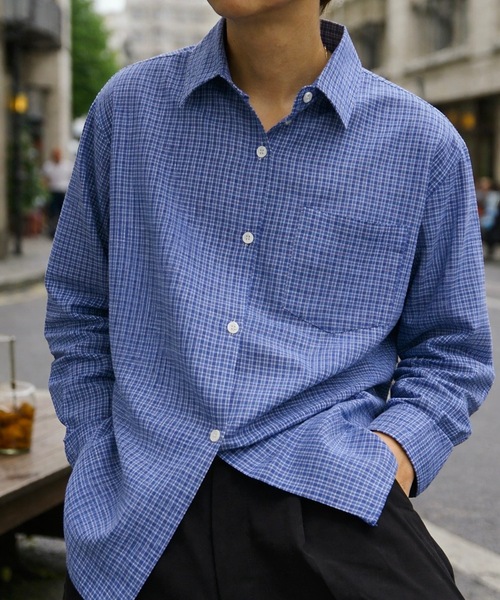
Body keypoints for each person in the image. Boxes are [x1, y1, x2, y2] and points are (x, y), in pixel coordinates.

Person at [45, 1, 494, 598]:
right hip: (143, 502)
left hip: (329, 492)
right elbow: (79, 306)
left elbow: (452, 351)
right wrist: (96, 448)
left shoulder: (422, 144)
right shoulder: (127, 110)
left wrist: (394, 458)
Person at [42, 148, 73, 238]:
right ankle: (52, 231)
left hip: (63, 191)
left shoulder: (67, 165)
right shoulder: (48, 166)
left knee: (62, 212)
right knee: (52, 212)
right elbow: (45, 179)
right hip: (53, 191)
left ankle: (63, 231)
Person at [476, 176, 500, 259]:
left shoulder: (494, 196)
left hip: (492, 219)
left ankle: (490, 247)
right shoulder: (479, 194)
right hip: (484, 218)